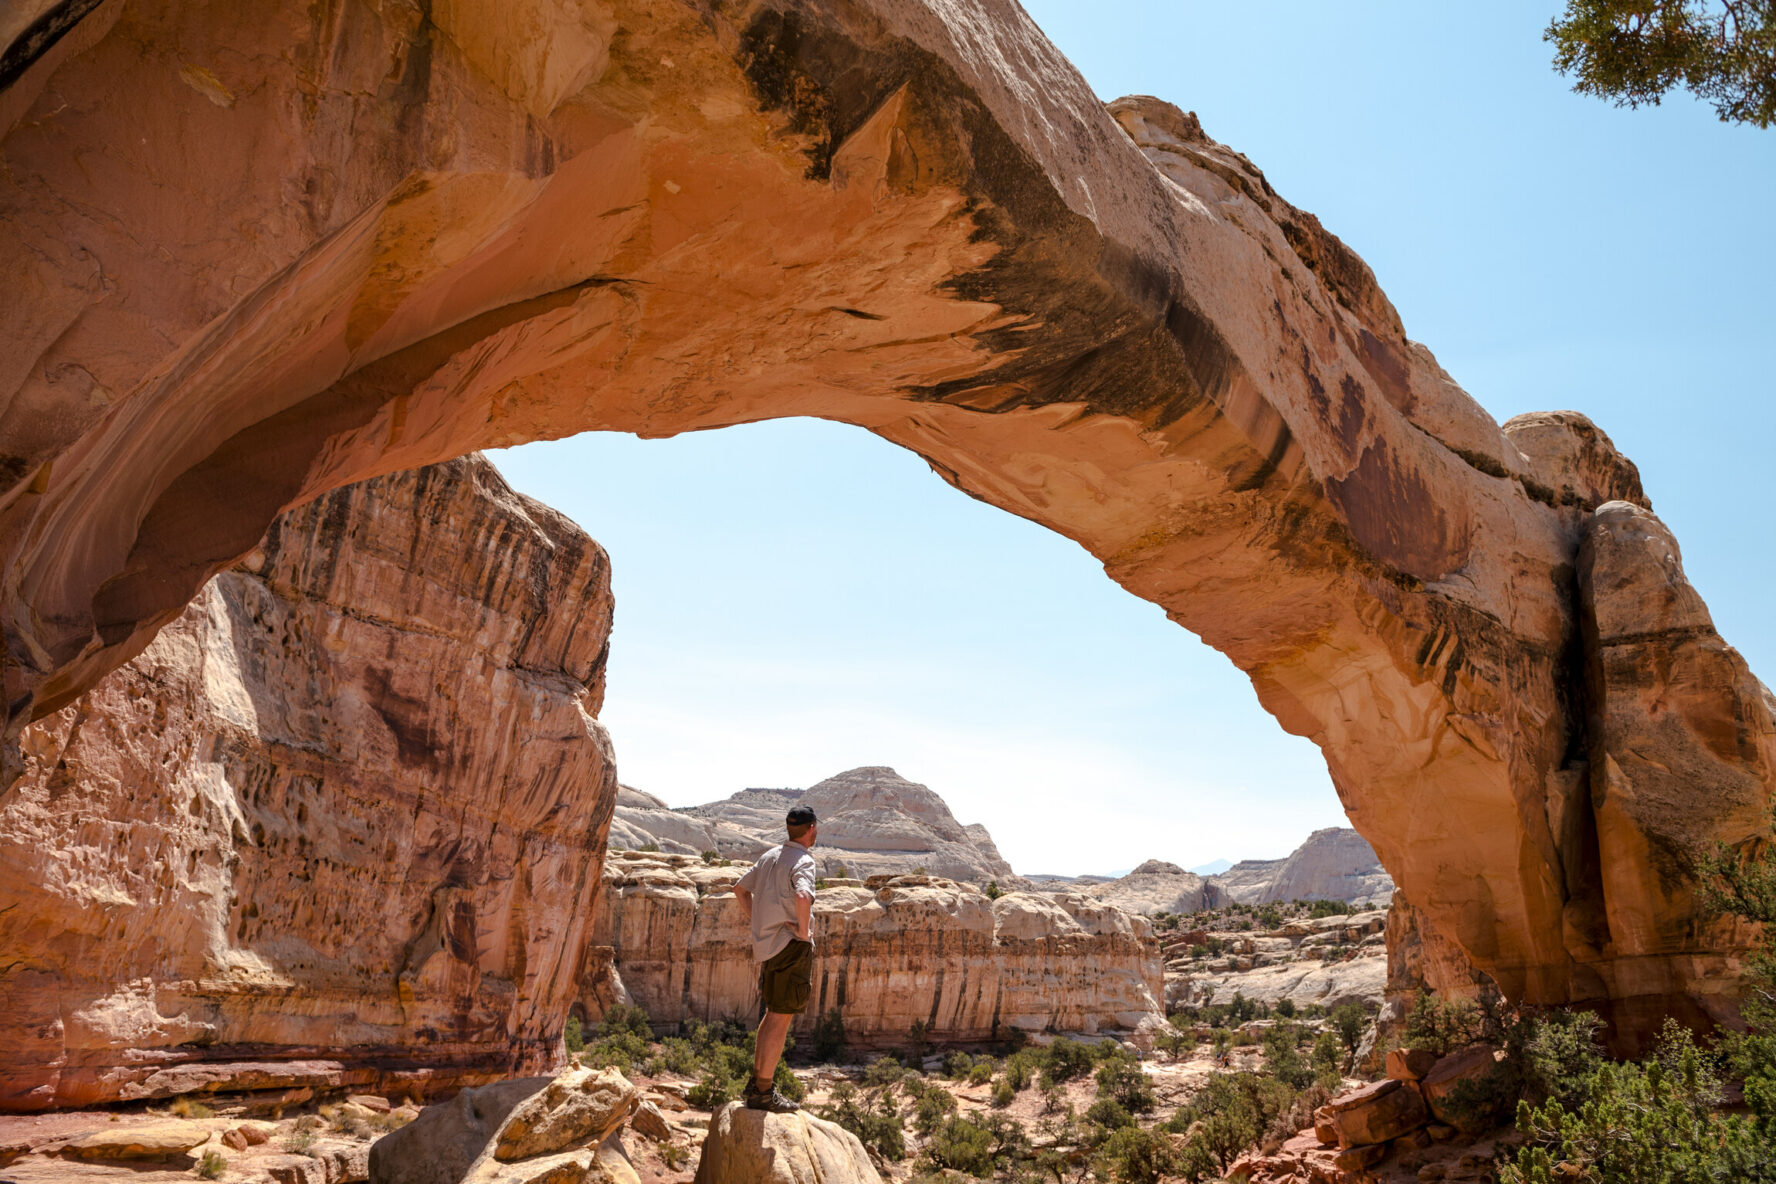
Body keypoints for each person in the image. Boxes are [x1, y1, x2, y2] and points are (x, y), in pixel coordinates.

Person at [730, 803, 819, 1112]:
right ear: (811, 830)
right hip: (790, 949)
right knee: (780, 1020)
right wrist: (804, 932)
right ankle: (764, 1092)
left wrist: (760, 922)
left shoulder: (769, 857)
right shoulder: (803, 860)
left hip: (768, 947)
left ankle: (758, 1085)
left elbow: (740, 889)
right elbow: (802, 895)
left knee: (771, 1015)